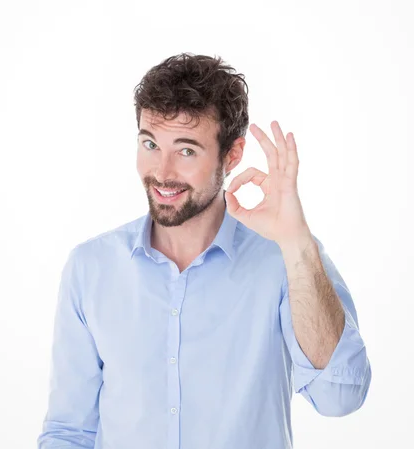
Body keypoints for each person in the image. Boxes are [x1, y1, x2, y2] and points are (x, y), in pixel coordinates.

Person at [37, 52, 371, 449]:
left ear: (232, 154)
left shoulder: (285, 258)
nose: (162, 171)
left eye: (187, 150)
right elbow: (69, 432)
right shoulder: (91, 268)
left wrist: (296, 242)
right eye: (150, 143)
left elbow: (340, 397)